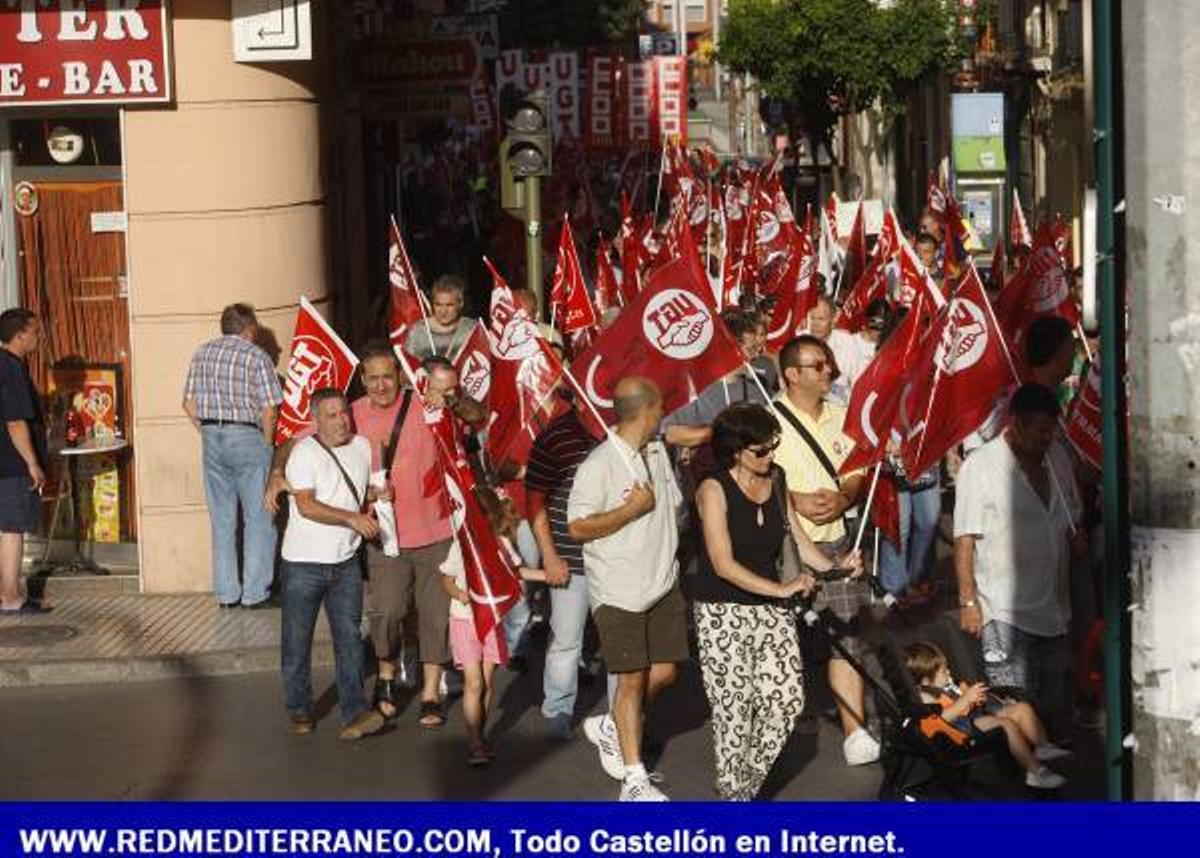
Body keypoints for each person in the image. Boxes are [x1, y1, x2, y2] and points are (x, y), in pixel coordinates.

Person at [695, 403, 861, 800]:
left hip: (771, 610)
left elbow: (796, 538)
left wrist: (835, 569)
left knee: (785, 702)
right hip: (723, 612)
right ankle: (735, 797)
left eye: (774, 446)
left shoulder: (777, 477)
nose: (770, 455)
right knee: (735, 711)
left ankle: (741, 789)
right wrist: (782, 590)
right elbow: (722, 564)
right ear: (736, 451)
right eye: (761, 450)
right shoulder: (712, 489)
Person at [567, 377, 686, 801]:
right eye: (661, 407)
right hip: (619, 589)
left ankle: (612, 725)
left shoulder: (656, 452)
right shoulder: (599, 463)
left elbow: (673, 507)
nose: (664, 414)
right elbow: (577, 527)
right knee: (631, 682)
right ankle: (634, 781)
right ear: (647, 410)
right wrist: (629, 510)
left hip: (663, 582)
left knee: (666, 672)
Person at [774, 335, 876, 767]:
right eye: (817, 365)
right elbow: (752, 481)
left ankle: (855, 732)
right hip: (784, 549)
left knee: (847, 635)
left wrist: (844, 497)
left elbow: (857, 470)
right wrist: (794, 500)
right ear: (792, 374)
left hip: (836, 541)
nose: (829, 371)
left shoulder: (842, 415)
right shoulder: (767, 421)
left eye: (828, 363)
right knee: (788, 641)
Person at [954, 383, 1078, 737]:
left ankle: (1047, 759)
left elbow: (1071, 512)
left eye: (1051, 430)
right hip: (1004, 611)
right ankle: (1022, 763)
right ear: (1016, 424)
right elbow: (964, 539)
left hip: (1054, 608)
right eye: (1040, 431)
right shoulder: (981, 466)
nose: (1047, 438)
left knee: (1053, 710)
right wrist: (968, 602)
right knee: (1015, 709)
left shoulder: (1057, 457)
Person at [279, 388, 387, 741]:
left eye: (344, 413)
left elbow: (353, 491)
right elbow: (306, 505)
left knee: (349, 639)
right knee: (297, 641)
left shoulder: (361, 446)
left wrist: (376, 495)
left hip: (345, 562)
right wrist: (352, 519)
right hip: (303, 563)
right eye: (331, 415)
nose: (342, 421)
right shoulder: (304, 453)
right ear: (315, 419)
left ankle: (354, 713)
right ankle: (299, 708)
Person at [183, 303, 283, 608]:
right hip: (248, 436)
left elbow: (189, 404)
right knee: (259, 518)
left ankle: (227, 594)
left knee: (222, 520)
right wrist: (267, 445)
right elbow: (270, 409)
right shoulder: (257, 357)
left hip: (212, 437)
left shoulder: (201, 353)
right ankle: (255, 593)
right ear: (249, 329)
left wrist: (209, 431)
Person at [441, 486, 545, 766]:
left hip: (491, 621)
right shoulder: (462, 545)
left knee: (487, 683)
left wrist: (547, 575)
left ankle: (480, 734)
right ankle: (475, 741)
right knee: (474, 682)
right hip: (465, 620)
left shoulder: (501, 543)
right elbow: (446, 578)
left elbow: (516, 571)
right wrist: (459, 593)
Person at [525, 387, 600, 740]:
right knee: (567, 639)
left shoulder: (621, 433)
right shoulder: (554, 437)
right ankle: (557, 709)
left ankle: (622, 720)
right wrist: (550, 555)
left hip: (615, 559)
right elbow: (534, 501)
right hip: (569, 556)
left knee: (620, 644)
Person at [903, 641, 1069, 789]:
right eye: (943, 672)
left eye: (947, 669)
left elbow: (973, 704)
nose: (949, 673)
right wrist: (966, 699)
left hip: (975, 716)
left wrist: (980, 699)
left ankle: (1042, 746)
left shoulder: (949, 685)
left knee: (1021, 708)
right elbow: (943, 718)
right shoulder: (925, 695)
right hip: (958, 730)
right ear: (926, 681)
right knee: (1006, 725)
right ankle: (1034, 772)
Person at [0, 309, 49, 615]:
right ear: (19, 335)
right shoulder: (11, 368)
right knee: (12, 529)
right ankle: (10, 597)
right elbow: (15, 421)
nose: (38, 337)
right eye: (35, 332)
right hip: (12, 463)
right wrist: (32, 463)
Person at [803, 295, 872, 406]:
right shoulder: (798, 342)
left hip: (839, 409)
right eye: (812, 318)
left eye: (821, 319)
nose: (815, 324)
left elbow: (859, 384)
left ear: (834, 319)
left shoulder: (848, 344)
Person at [404, 275, 476, 361]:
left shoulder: (472, 329)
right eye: (438, 305)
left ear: (461, 304)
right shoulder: (418, 330)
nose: (443, 311)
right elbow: (407, 363)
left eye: (449, 305)